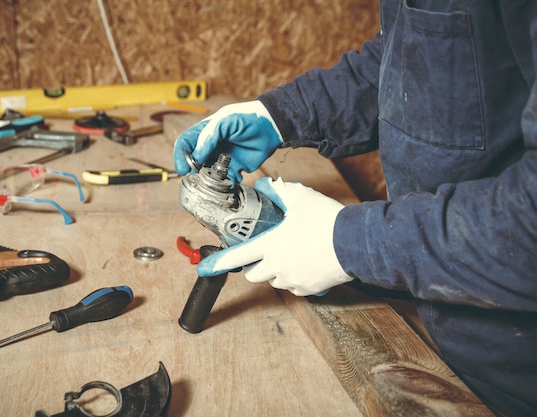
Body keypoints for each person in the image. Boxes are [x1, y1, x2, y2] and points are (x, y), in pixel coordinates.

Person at [173, 2, 537, 416]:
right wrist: (280, 116)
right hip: (441, 319)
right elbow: (413, 61)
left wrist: (347, 243)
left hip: (516, 376)